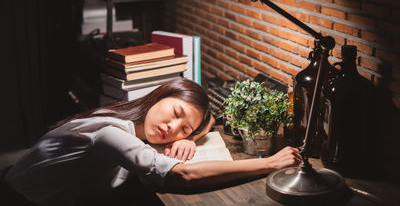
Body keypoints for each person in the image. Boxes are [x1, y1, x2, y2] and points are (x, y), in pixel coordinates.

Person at [3, 78, 301, 205]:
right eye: (175, 113)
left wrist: (191, 141)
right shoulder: (109, 132)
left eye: (184, 129)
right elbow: (180, 176)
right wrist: (269, 163)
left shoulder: (125, 116)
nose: (172, 128)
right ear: (161, 95)